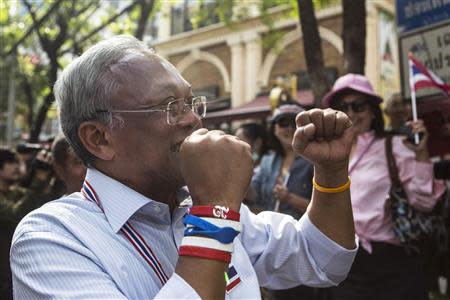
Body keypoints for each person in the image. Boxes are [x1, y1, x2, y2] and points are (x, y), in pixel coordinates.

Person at [10, 35, 358, 299]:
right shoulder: (50, 238)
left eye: (191, 102)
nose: (193, 119)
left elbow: (322, 259)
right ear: (99, 138)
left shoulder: (195, 204)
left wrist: (330, 173)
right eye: (170, 106)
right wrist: (214, 216)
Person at [322, 73, 446, 300]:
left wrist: (421, 154)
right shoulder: (329, 153)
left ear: (372, 110)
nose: (350, 114)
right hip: (346, 264)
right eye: (343, 107)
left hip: (394, 263)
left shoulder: (394, 146)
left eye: (358, 106)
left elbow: (425, 202)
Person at [0, 148, 53, 300]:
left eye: (17, 162)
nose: (17, 167)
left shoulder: (14, 191)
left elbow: (44, 200)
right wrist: (39, 179)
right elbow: (17, 214)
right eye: (10, 162)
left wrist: (49, 173)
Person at [250, 104, 314, 220]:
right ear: (274, 128)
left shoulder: (313, 161)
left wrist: (289, 198)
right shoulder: (267, 160)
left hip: (301, 233)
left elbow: (324, 208)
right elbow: (254, 195)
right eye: (283, 122)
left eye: (295, 123)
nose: (289, 128)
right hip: (269, 231)